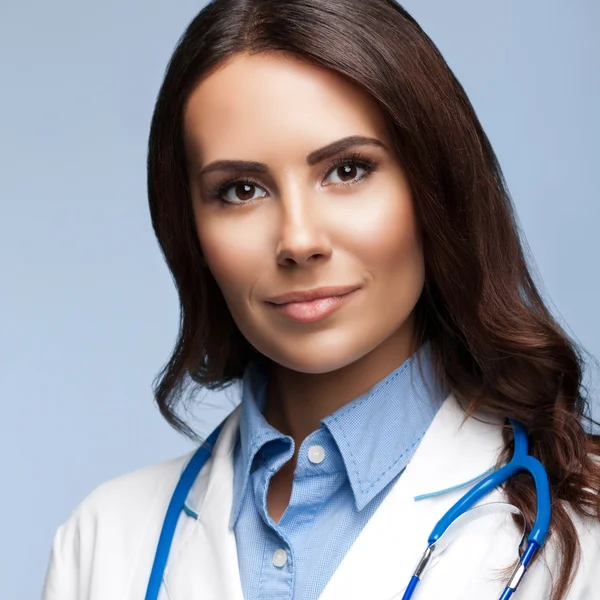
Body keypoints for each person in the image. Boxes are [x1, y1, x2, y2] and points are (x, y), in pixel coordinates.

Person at [42, 1, 600, 599]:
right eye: (241, 189)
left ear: (434, 186)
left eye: (349, 171)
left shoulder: (584, 529)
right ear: (190, 230)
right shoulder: (104, 542)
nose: (299, 241)